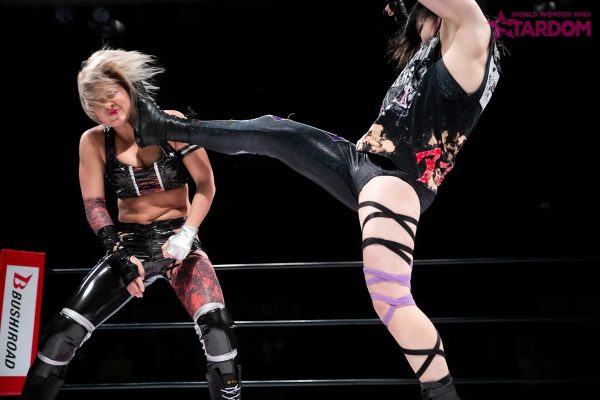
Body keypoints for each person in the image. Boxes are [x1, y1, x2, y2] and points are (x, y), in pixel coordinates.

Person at [133, 0, 500, 398]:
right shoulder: (440, 49)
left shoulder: (474, 32)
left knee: (390, 297)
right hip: (361, 161)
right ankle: (162, 126)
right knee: (272, 132)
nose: (420, 35)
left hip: (398, 180)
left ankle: (443, 394)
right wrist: (401, 12)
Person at [20, 47, 242, 400]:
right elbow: (94, 206)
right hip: (128, 245)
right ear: (90, 109)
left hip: (178, 241)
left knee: (218, 328)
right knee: (60, 335)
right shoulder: (93, 140)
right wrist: (120, 256)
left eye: (111, 93)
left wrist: (188, 233)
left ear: (127, 88)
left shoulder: (170, 122)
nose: (108, 104)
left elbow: (206, 185)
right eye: (97, 101)